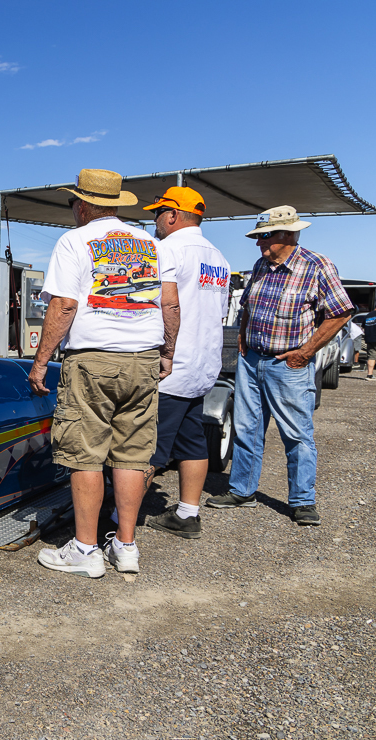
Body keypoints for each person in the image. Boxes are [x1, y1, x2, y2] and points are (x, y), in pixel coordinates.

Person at [27, 168, 179, 578]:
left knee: (85, 456)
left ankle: (85, 549)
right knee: (132, 454)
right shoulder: (151, 242)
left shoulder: (75, 240)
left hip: (93, 359)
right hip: (143, 358)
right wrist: (167, 352)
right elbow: (170, 304)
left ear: (81, 205)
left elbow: (64, 306)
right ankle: (125, 546)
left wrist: (41, 360)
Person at [206, 206, 353, 526]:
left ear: (287, 234)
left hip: (289, 365)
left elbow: (341, 313)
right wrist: (243, 337)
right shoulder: (261, 265)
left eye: (264, 236)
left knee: (297, 434)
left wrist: (306, 351)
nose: (259, 243)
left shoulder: (317, 266)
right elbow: (246, 306)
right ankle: (242, 491)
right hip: (252, 361)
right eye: (259, 237)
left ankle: (302, 501)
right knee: (247, 429)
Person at [131, 187, 231, 539]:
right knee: (192, 441)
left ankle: (117, 523)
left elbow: (158, 304)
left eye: (158, 213)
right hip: (202, 365)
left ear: (172, 215)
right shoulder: (218, 257)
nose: (154, 220)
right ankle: (187, 513)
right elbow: (219, 312)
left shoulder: (167, 249)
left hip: (169, 367)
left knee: (144, 449)